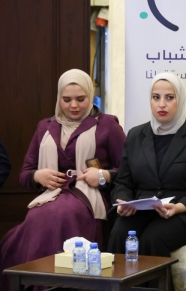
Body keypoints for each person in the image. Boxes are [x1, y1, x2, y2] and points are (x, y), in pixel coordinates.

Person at [0, 69, 125, 288]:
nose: (73, 105)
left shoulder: (107, 126)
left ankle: (47, 284)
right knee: (32, 223)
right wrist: (38, 175)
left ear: (90, 96)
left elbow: (129, 171)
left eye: (81, 99)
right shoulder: (45, 127)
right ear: (59, 98)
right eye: (66, 100)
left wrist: (104, 175)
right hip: (51, 196)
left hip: (89, 198)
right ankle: (33, 282)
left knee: (60, 215)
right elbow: (24, 174)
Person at [108, 73, 186, 257]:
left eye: (169, 98)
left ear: (180, 99)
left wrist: (180, 207)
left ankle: (153, 279)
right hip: (143, 210)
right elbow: (123, 182)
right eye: (156, 97)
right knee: (120, 233)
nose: (161, 104)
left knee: (153, 239)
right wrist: (124, 202)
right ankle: (118, 278)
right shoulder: (135, 135)